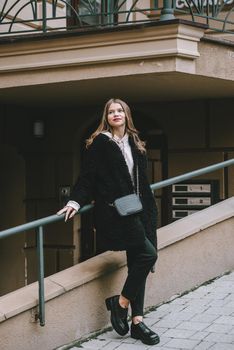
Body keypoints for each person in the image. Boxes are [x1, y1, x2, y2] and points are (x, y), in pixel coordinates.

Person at [57, 98, 160, 346]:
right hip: (118, 212)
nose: (116, 114)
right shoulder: (101, 143)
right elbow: (87, 178)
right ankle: (119, 303)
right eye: (111, 111)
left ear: (127, 115)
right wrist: (75, 202)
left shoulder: (135, 141)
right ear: (106, 116)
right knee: (149, 255)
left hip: (141, 210)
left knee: (138, 262)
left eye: (120, 111)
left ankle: (137, 322)